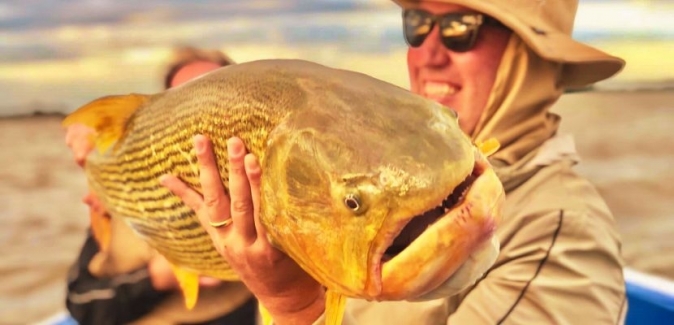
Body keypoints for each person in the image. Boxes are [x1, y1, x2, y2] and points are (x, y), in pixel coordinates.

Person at [159, 0, 628, 324]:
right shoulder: (387, 183)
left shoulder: (564, 233)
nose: (428, 52)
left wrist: (296, 309)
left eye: (461, 28)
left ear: (532, 58)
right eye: (417, 24)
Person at [64, 47, 260, 325]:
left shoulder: (265, 182)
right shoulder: (132, 194)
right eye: (186, 101)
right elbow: (82, 304)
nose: (201, 115)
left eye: (215, 92)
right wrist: (156, 278)